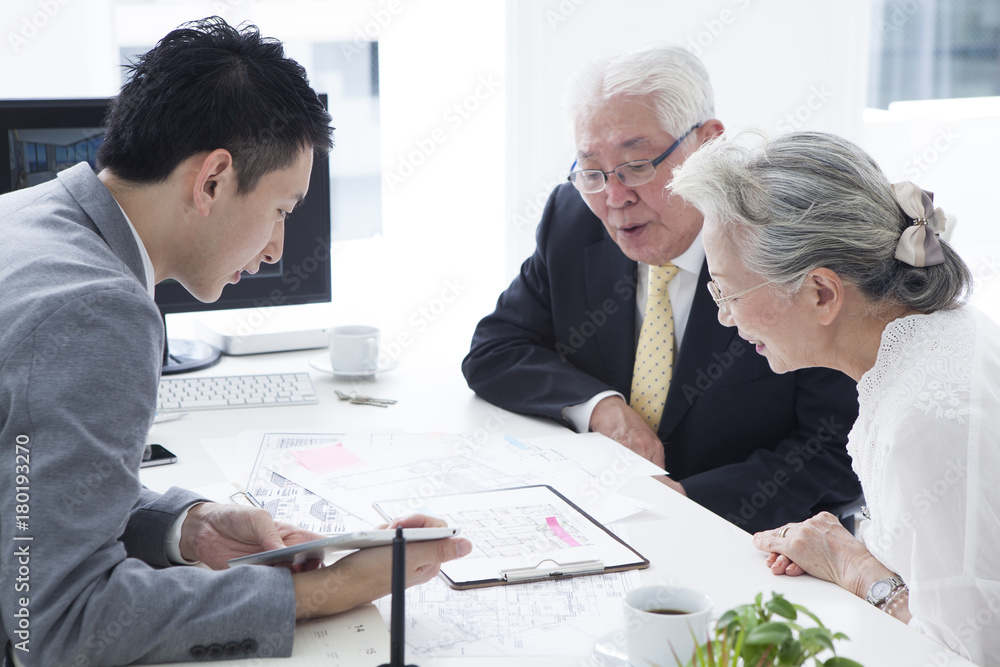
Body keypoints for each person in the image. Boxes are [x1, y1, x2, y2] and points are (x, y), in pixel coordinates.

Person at [0, 17, 469, 666]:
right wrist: (327, 589)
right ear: (213, 180)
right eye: (281, 209)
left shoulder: (27, 214)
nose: (278, 245)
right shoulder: (99, 310)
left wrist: (187, 525)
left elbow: (27, 488)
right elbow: (59, 627)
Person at [461, 44, 861, 533]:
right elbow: (496, 350)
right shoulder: (572, 220)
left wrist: (685, 502)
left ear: (709, 143)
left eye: (638, 164)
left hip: (754, 541)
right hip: (601, 521)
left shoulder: (788, 249)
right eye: (592, 171)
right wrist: (601, 408)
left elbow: (839, 453)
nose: (614, 198)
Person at [668, 129, 1000, 663]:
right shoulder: (931, 343)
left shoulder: (927, 418)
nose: (724, 316)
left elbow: (964, 655)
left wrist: (858, 569)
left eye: (728, 292)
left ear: (821, 293)